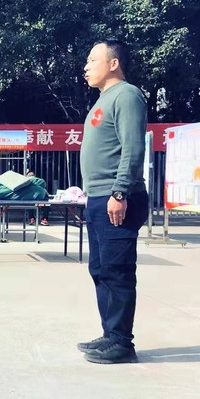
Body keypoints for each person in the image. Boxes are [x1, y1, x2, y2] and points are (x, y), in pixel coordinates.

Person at [78, 39, 148, 364]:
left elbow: (133, 148)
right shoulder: (103, 100)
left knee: (117, 271)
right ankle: (110, 334)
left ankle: (121, 342)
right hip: (98, 198)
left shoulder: (127, 95)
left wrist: (120, 192)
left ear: (113, 63)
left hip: (117, 198)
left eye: (93, 60)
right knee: (101, 269)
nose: (86, 66)